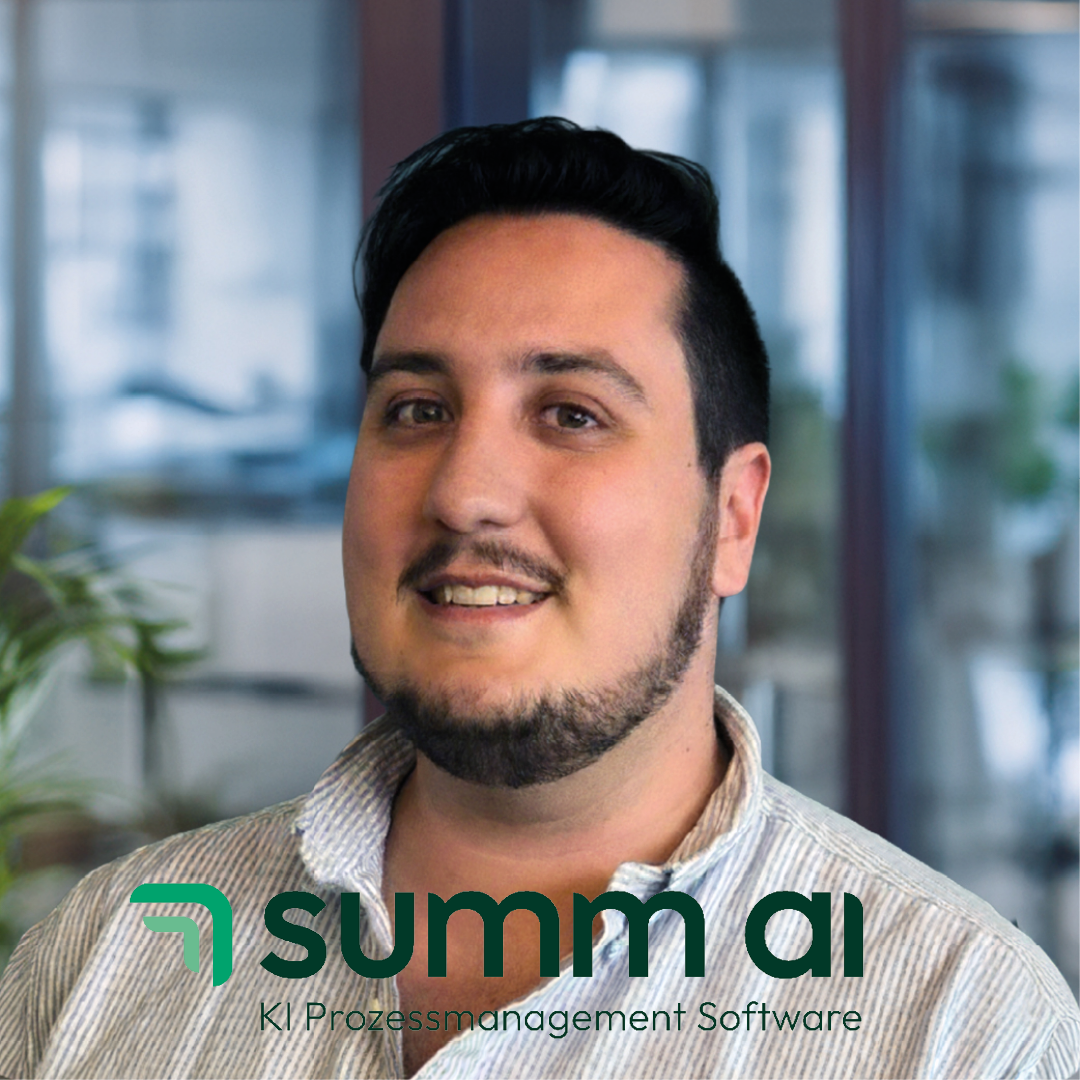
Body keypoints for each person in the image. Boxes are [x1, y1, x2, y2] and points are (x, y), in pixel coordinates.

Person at [0, 118, 1076, 1080]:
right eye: (418, 409)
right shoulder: (105, 956)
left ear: (733, 518)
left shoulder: (959, 1029)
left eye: (571, 415)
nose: (465, 494)